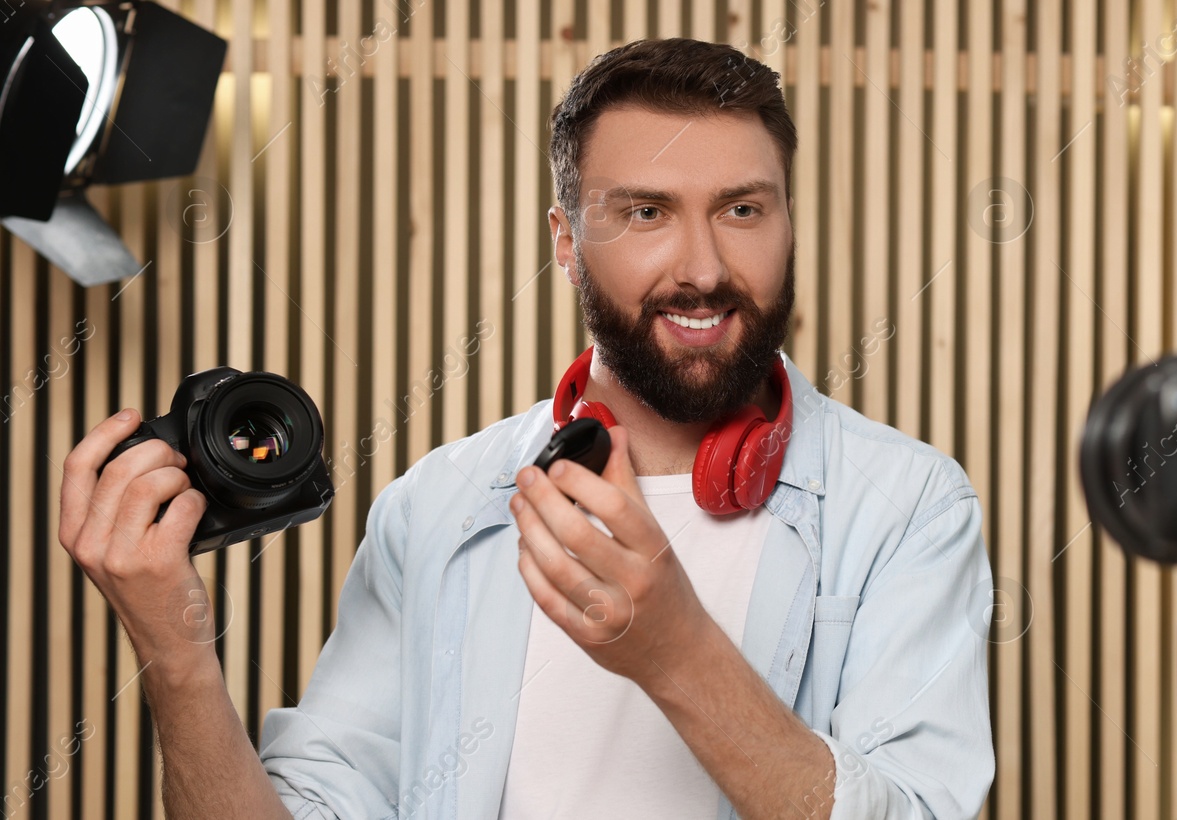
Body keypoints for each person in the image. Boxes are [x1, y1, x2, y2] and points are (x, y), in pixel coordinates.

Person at [58, 38, 993, 819]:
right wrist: (175, 656)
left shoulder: (909, 506)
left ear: (789, 222)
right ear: (564, 241)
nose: (703, 266)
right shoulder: (439, 505)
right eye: (646, 213)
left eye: (743, 209)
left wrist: (675, 654)